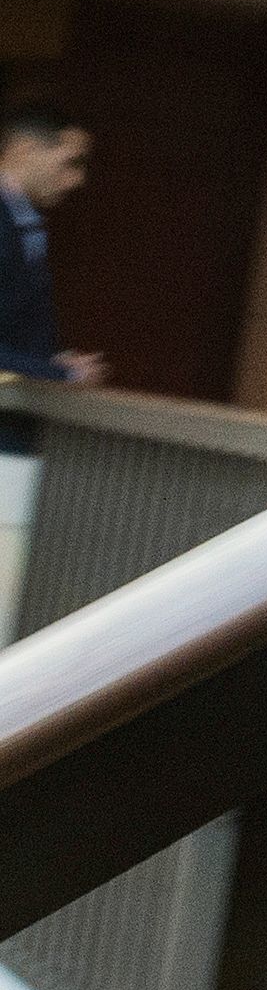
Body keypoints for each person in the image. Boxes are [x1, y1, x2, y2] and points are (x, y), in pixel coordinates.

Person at [0, 100, 104, 641]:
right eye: (68, 161)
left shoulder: (22, 221)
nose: (77, 179)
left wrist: (48, 364)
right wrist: (58, 376)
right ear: (24, 148)